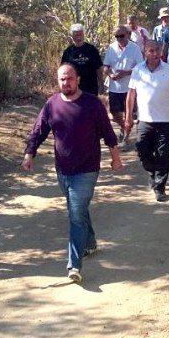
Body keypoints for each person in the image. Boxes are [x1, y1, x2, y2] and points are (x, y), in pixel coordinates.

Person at [22, 64, 124, 283]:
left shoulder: (92, 104)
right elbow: (39, 130)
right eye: (61, 79)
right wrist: (30, 153)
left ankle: (74, 265)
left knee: (75, 213)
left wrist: (115, 157)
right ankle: (90, 242)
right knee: (77, 209)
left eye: (69, 78)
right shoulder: (52, 104)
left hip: (87, 169)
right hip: (63, 169)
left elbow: (107, 132)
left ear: (77, 79)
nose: (65, 83)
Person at [125, 40, 169, 202]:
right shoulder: (138, 70)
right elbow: (131, 95)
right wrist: (128, 117)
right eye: (151, 50)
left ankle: (159, 186)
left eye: (157, 50)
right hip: (144, 120)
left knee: (164, 154)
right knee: (142, 150)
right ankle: (152, 172)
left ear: (161, 52)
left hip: (165, 120)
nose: (154, 53)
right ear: (145, 52)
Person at [103, 25, 144, 146]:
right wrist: (110, 74)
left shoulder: (135, 48)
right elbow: (106, 66)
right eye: (117, 36)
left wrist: (125, 73)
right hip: (114, 87)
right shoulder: (111, 47)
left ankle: (125, 138)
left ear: (128, 35)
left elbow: (140, 67)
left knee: (129, 114)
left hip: (130, 87)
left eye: (121, 36)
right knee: (114, 114)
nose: (119, 38)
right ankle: (123, 128)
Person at [61, 23, 103, 96]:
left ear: (83, 35)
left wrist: (101, 84)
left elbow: (98, 68)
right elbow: (63, 71)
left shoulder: (92, 49)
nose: (79, 37)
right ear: (72, 36)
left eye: (80, 35)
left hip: (90, 89)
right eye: (76, 35)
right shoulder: (68, 52)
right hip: (73, 89)